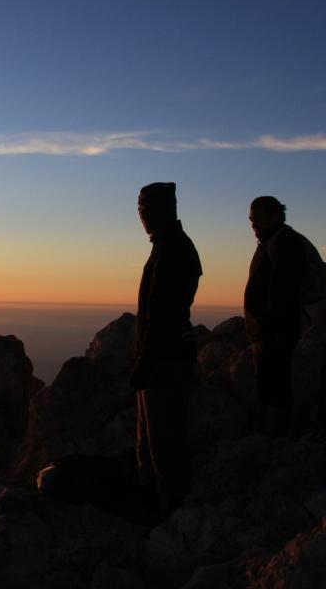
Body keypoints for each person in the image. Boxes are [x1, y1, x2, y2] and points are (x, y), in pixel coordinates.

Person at [131, 182, 202, 516]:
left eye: (145, 209)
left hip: (166, 358)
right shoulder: (167, 246)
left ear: (162, 210)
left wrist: (146, 359)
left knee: (164, 439)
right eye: (140, 210)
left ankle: (170, 509)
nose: (141, 216)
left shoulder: (174, 249)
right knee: (150, 438)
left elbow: (164, 312)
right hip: (160, 356)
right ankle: (152, 502)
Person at [243, 196, 305, 435]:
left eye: (258, 218)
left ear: (275, 215)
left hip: (275, 332)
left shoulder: (285, 243)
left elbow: (283, 290)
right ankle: (274, 436)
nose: (253, 224)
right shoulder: (271, 242)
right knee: (268, 386)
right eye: (251, 219)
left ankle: (277, 438)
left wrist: (273, 328)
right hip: (266, 332)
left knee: (275, 388)